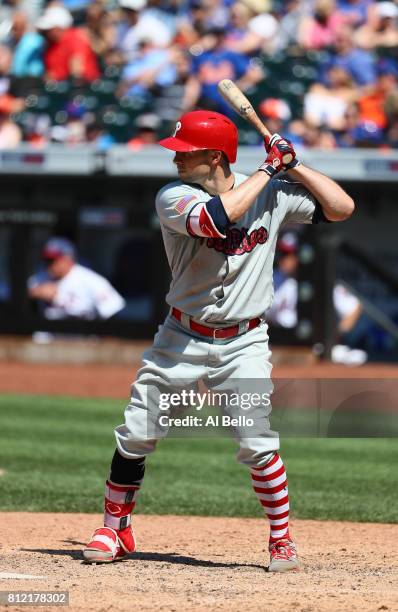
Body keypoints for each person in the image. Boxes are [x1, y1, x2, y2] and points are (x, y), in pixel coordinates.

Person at [82, 110, 354, 570]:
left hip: (244, 341)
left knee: (256, 441)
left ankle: (281, 539)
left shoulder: (271, 191)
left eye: (186, 153)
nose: (176, 160)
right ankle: (114, 527)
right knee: (138, 431)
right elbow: (215, 218)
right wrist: (270, 169)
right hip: (181, 334)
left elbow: (341, 208)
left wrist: (295, 166)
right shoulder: (173, 196)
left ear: (214, 156)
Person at [28, 237, 125, 320]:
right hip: (46, 338)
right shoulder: (40, 278)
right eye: (47, 260)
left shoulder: (89, 279)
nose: (50, 264)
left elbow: (114, 310)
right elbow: (15, 293)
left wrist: (58, 298)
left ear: (69, 259)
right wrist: (35, 292)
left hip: (80, 338)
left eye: (54, 260)